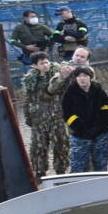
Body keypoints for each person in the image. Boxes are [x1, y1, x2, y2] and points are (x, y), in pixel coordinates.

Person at [21, 52, 70, 180]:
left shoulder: (57, 74)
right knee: (39, 147)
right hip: (39, 118)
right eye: (42, 63)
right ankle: (39, 173)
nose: (45, 65)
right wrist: (28, 116)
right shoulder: (31, 80)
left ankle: (61, 171)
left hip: (57, 116)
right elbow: (28, 99)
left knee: (61, 145)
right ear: (34, 65)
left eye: (47, 62)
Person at [62, 65, 108, 173]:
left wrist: (99, 128)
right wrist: (83, 130)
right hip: (79, 136)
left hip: (100, 134)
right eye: (79, 76)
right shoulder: (69, 93)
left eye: (85, 75)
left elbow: (106, 110)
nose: (82, 78)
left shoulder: (98, 90)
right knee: (78, 168)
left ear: (90, 77)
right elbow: (68, 115)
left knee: (101, 166)